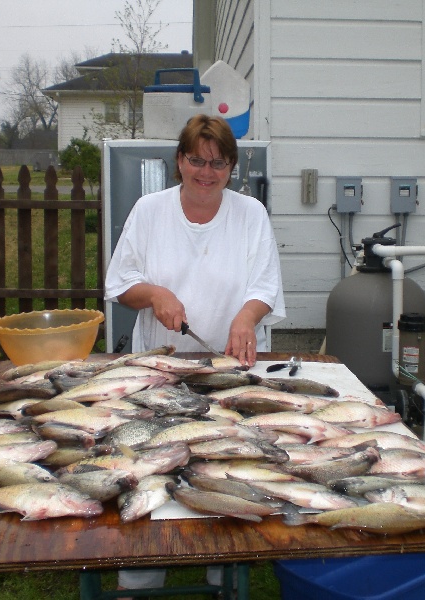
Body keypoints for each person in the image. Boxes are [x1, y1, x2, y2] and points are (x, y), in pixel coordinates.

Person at [104, 114, 286, 593]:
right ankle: (140, 577)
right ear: (179, 161)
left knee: (220, 466)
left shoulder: (251, 214)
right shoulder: (149, 210)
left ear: (232, 167)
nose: (207, 172)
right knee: (150, 462)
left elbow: (266, 285)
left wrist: (246, 318)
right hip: (161, 370)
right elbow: (120, 284)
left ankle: (221, 572)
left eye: (218, 163)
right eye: (197, 160)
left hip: (228, 371)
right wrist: (155, 294)